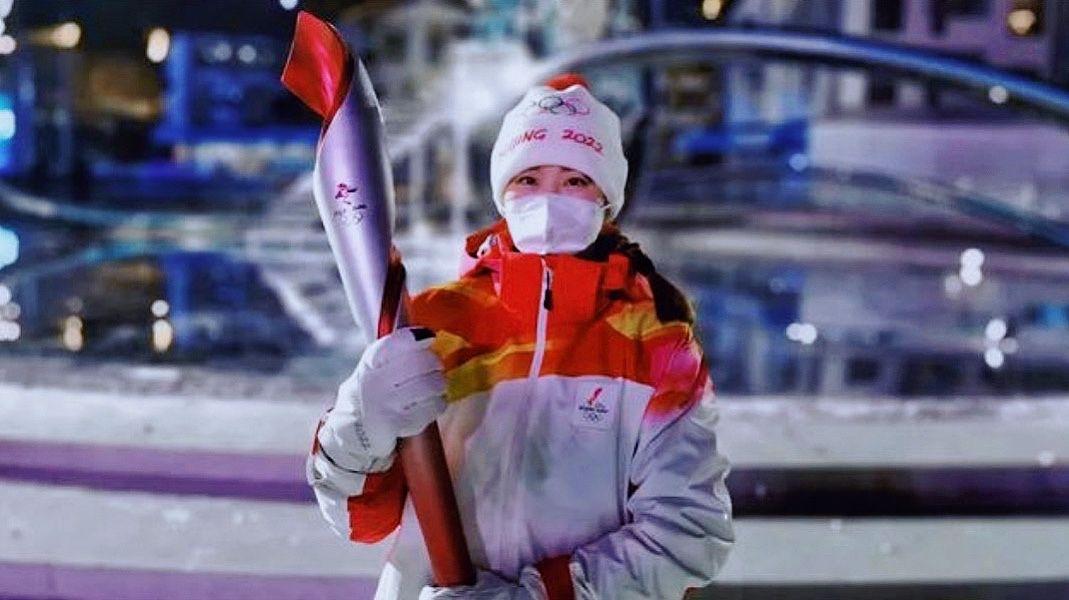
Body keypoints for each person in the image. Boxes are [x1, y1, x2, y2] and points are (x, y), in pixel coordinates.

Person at [307, 73, 735, 599]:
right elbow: (359, 520)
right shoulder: (437, 322)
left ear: (607, 198)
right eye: (528, 178)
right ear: (503, 193)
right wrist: (362, 424)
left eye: (575, 181)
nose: (549, 198)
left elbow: (688, 532)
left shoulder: (655, 340)